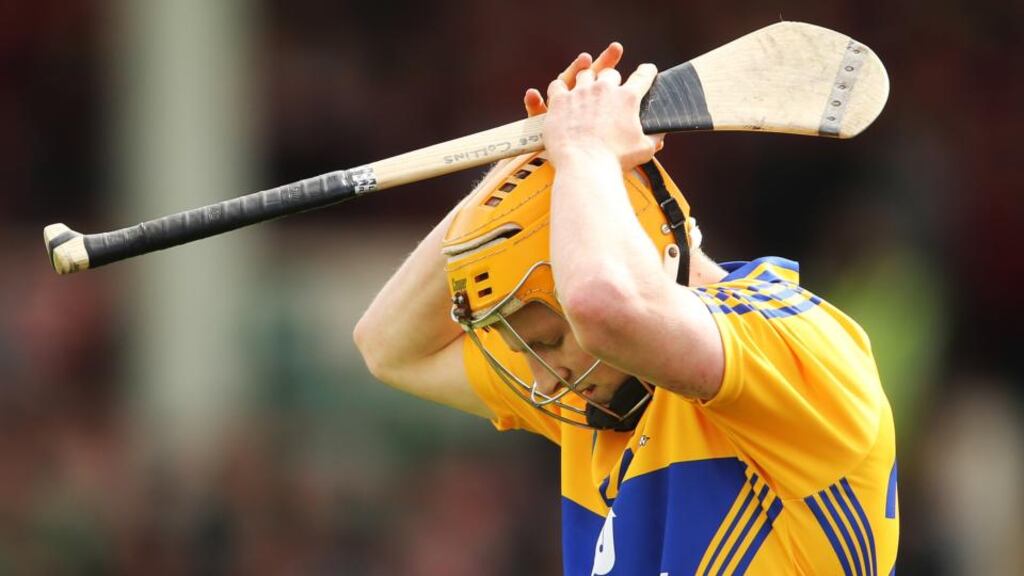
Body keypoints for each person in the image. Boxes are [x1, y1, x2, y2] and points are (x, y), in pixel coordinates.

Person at [354, 42, 898, 575]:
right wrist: (528, 162)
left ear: (648, 249)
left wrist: (583, 152)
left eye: (548, 341)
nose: (543, 383)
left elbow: (604, 308)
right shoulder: (602, 385)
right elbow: (387, 347)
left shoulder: (796, 349)